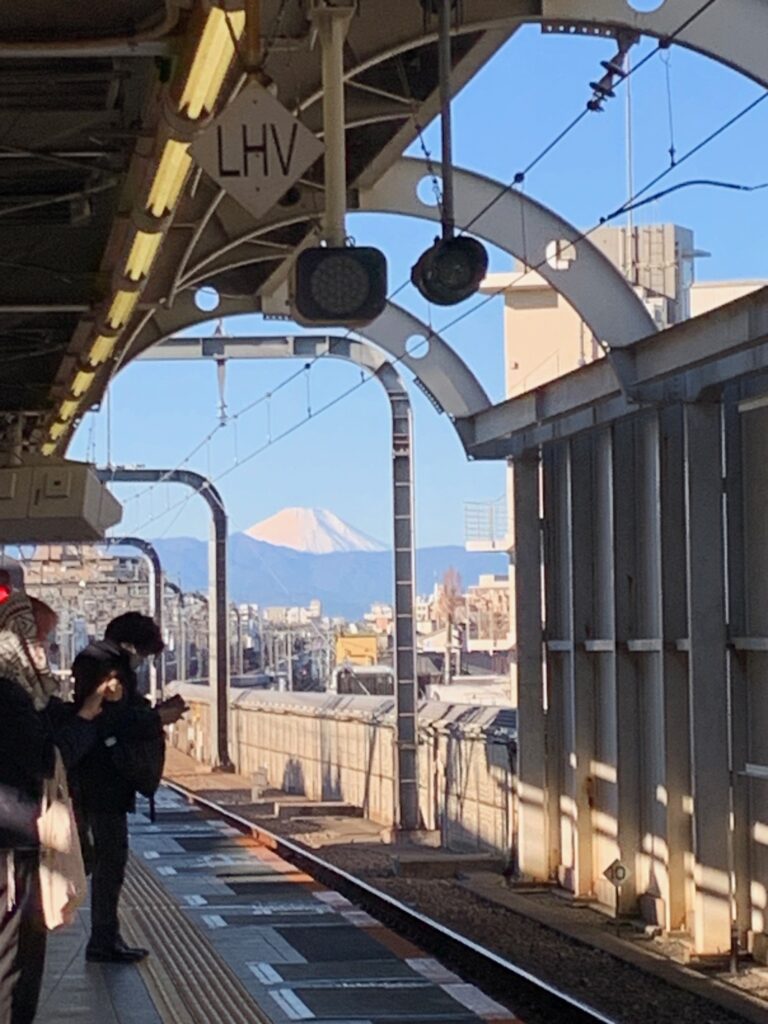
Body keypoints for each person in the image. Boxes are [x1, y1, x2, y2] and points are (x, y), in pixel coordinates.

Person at [0, 587, 107, 1024]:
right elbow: (45, 757)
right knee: (14, 962)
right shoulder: (8, 696)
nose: (44, 650)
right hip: (10, 845)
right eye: (39, 639)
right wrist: (85, 720)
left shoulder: (18, 692)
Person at [69, 616, 185, 965]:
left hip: (92, 774)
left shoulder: (95, 660)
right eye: (144, 654)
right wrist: (157, 717)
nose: (142, 661)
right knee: (109, 859)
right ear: (132, 646)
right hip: (104, 778)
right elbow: (112, 719)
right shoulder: (109, 668)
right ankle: (104, 939)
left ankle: (106, 936)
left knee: (102, 858)